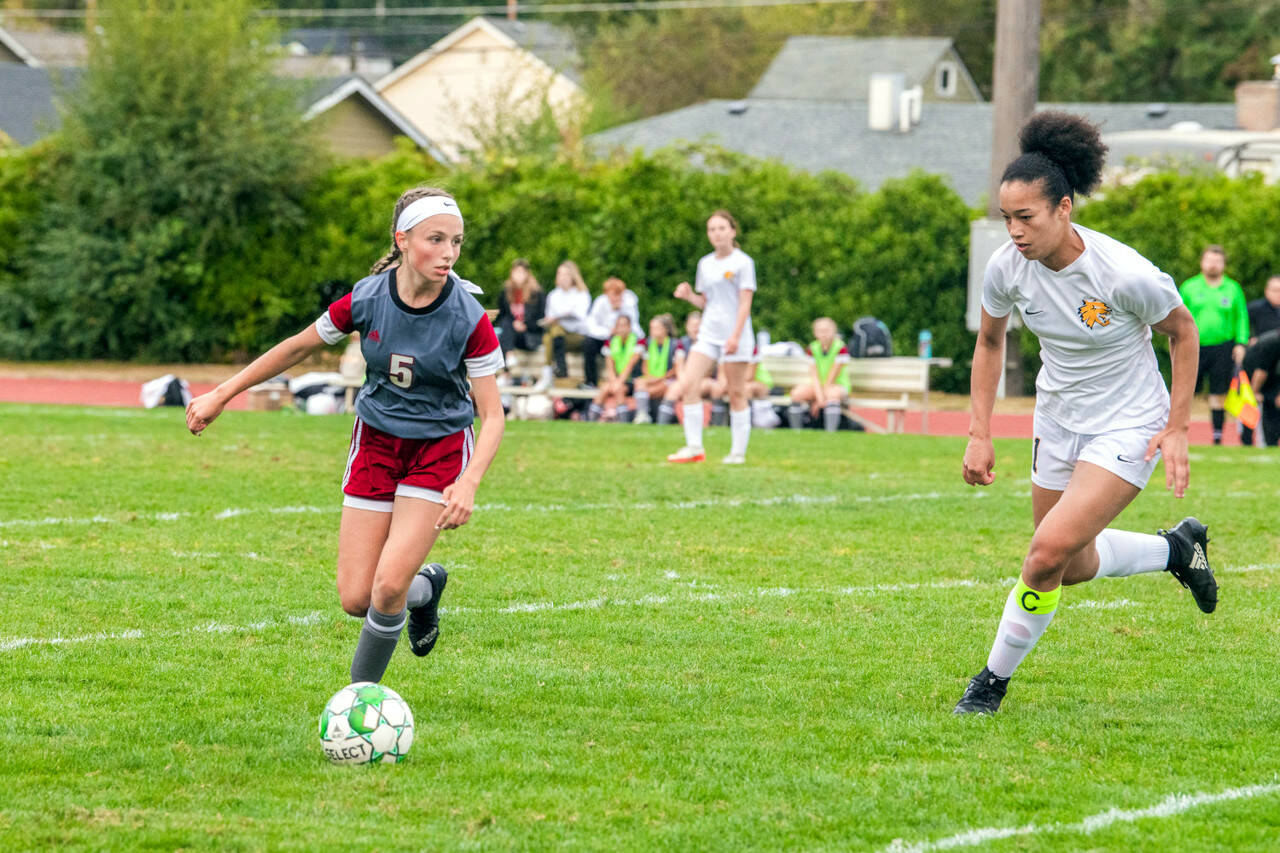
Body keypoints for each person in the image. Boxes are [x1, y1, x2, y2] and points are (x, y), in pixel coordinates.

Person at [185, 187, 505, 686]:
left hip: (438, 450)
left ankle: (360, 703)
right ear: (402, 240)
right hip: (376, 442)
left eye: (457, 242)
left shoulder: (469, 318)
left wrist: (469, 483)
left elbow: (493, 414)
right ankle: (427, 588)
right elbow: (296, 348)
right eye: (436, 239)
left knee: (386, 587)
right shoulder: (368, 297)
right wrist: (222, 394)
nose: (448, 253)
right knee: (357, 598)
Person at [955, 112, 1216, 716]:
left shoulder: (1123, 273)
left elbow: (1183, 332)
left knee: (1043, 555)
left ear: (1064, 208)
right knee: (1072, 566)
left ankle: (990, 683)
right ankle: (1177, 551)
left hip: (1128, 422)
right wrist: (979, 432)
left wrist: (1177, 427)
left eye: (1027, 217)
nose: (1015, 232)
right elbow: (991, 343)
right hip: (1058, 418)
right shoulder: (1006, 269)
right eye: (1007, 218)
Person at [659, 209, 757, 464]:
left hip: (735, 335)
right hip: (709, 333)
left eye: (722, 228)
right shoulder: (705, 264)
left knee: (736, 392)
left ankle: (738, 453)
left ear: (732, 232)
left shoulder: (743, 263)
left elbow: (744, 304)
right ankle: (694, 448)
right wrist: (689, 296)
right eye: (712, 229)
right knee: (688, 384)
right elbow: (707, 302)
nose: (717, 233)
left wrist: (735, 336)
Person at [1180, 245, 1249, 444]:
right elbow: (1177, 317)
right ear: (1202, 262)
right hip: (1193, 345)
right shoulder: (1189, 287)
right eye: (1209, 260)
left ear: (1223, 264)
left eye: (1217, 261)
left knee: (1218, 392)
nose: (1213, 265)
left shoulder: (1232, 288)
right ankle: (1179, 431)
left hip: (1223, 346)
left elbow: (1241, 317)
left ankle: (1217, 436)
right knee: (1187, 390)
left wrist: (1241, 343)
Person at [788, 317, 852, 432]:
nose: (824, 334)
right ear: (815, 333)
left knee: (832, 394)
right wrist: (819, 397)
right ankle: (796, 431)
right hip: (819, 386)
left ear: (834, 331)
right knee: (796, 393)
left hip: (837, 384)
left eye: (827, 330)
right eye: (820, 331)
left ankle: (830, 432)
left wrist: (819, 400)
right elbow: (815, 376)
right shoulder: (812, 348)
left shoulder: (841, 348)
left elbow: (832, 377)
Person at [582, 276, 640, 388]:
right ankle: (591, 381)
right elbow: (591, 326)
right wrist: (609, 332)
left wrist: (620, 329)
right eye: (613, 295)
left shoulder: (629, 302)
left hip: (624, 340)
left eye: (619, 295)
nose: (616, 298)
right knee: (588, 343)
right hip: (606, 337)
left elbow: (634, 325)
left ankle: (631, 380)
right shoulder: (600, 302)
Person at [540, 260, 592, 383]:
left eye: (566, 274)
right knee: (551, 336)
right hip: (558, 336)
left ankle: (551, 373)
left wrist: (562, 317)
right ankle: (555, 372)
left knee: (553, 335)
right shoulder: (553, 295)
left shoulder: (582, 294)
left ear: (573, 277)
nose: (562, 277)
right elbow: (550, 318)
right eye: (560, 274)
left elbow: (580, 316)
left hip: (577, 335)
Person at [587, 314, 645, 422]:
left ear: (629, 327)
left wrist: (618, 382)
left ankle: (623, 420)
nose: (621, 329)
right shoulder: (611, 341)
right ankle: (591, 419)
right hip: (617, 380)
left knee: (618, 389)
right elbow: (610, 365)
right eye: (619, 325)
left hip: (632, 380)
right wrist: (614, 381)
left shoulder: (638, 341)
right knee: (604, 388)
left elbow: (631, 364)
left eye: (624, 325)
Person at [493, 259, 545, 377]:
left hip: (529, 335)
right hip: (512, 333)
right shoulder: (506, 292)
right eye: (516, 272)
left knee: (504, 334)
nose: (519, 275)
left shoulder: (536, 293)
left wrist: (525, 325)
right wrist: (514, 324)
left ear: (527, 274)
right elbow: (502, 316)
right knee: (505, 325)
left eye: (521, 272)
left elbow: (541, 318)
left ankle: (507, 373)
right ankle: (510, 358)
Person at [633, 313, 679, 423]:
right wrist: (649, 377)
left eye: (656, 328)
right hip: (653, 378)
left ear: (665, 330)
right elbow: (645, 365)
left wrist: (659, 378)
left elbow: (676, 369)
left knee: (646, 392)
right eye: (651, 328)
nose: (653, 331)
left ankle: (648, 415)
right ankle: (642, 415)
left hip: (667, 379)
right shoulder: (649, 343)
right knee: (640, 382)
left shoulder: (674, 344)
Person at [1243, 328, 1280, 446]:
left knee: (1274, 400)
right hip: (1253, 371)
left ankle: (1271, 440)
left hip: (1269, 372)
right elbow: (1261, 371)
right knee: (1261, 401)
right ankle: (1250, 441)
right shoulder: (1272, 343)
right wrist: (1255, 392)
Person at [1247, 275, 1280, 343]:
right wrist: (1249, 338)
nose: (1278, 294)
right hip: (1261, 349)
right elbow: (1240, 325)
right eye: (1275, 290)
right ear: (1266, 291)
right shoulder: (1255, 308)